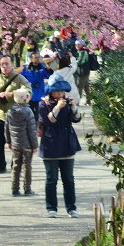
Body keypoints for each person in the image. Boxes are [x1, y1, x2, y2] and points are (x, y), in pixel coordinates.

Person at [38, 77, 82, 218]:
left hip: (67, 143)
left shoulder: (67, 102)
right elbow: (48, 121)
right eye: (57, 92)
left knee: (68, 179)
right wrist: (57, 107)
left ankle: (71, 208)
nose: (60, 94)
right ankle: (52, 208)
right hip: (50, 145)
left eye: (62, 91)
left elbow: (77, 119)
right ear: (51, 92)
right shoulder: (43, 104)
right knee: (51, 179)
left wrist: (74, 106)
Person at [0, 55, 32, 177]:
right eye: (2, 64)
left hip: (16, 117)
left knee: (16, 145)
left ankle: (15, 168)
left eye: (7, 63)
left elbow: (28, 92)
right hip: (1, 116)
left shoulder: (20, 78)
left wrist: (13, 94)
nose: (4, 66)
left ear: (12, 65)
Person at [5, 88, 38, 196]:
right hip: (27, 144)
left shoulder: (10, 111)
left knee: (15, 166)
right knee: (27, 166)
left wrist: (9, 141)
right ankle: (27, 188)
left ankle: (15, 189)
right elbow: (32, 130)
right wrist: (34, 145)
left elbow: (7, 128)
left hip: (15, 144)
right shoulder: (28, 112)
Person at [21, 50, 48, 117]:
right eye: (35, 57)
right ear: (31, 59)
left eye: (38, 57)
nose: (37, 59)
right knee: (30, 112)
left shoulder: (42, 68)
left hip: (40, 93)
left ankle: (39, 126)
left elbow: (49, 76)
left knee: (40, 112)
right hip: (30, 93)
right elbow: (21, 79)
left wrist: (48, 68)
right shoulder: (26, 68)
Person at [74, 40, 92, 105]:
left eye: (78, 44)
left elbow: (80, 61)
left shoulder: (83, 52)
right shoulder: (83, 51)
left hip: (83, 72)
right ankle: (88, 101)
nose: (77, 46)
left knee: (79, 87)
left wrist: (73, 62)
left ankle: (77, 102)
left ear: (82, 45)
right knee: (86, 86)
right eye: (76, 44)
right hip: (85, 71)